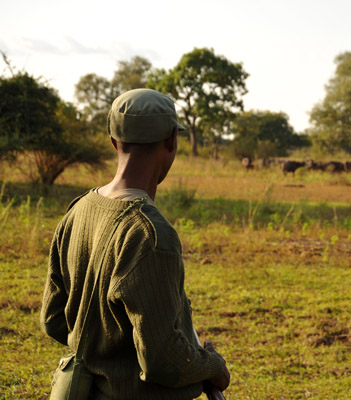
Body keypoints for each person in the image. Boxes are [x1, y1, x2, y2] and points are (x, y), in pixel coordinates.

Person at [40, 88, 230, 399]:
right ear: (172, 140)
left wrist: (103, 349)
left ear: (113, 140)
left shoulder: (78, 211)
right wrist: (213, 367)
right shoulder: (152, 233)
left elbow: (53, 320)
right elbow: (163, 361)